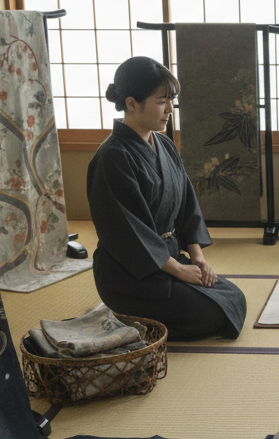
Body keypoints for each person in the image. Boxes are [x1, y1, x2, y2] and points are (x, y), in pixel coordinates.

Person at [86, 56, 246, 340]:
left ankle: (156, 309)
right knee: (209, 314)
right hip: (131, 275)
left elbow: (186, 205)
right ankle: (126, 316)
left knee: (233, 296)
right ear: (132, 103)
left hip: (169, 261)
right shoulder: (112, 158)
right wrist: (179, 271)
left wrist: (197, 259)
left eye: (171, 101)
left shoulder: (164, 144)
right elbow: (126, 233)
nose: (170, 109)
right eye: (162, 101)